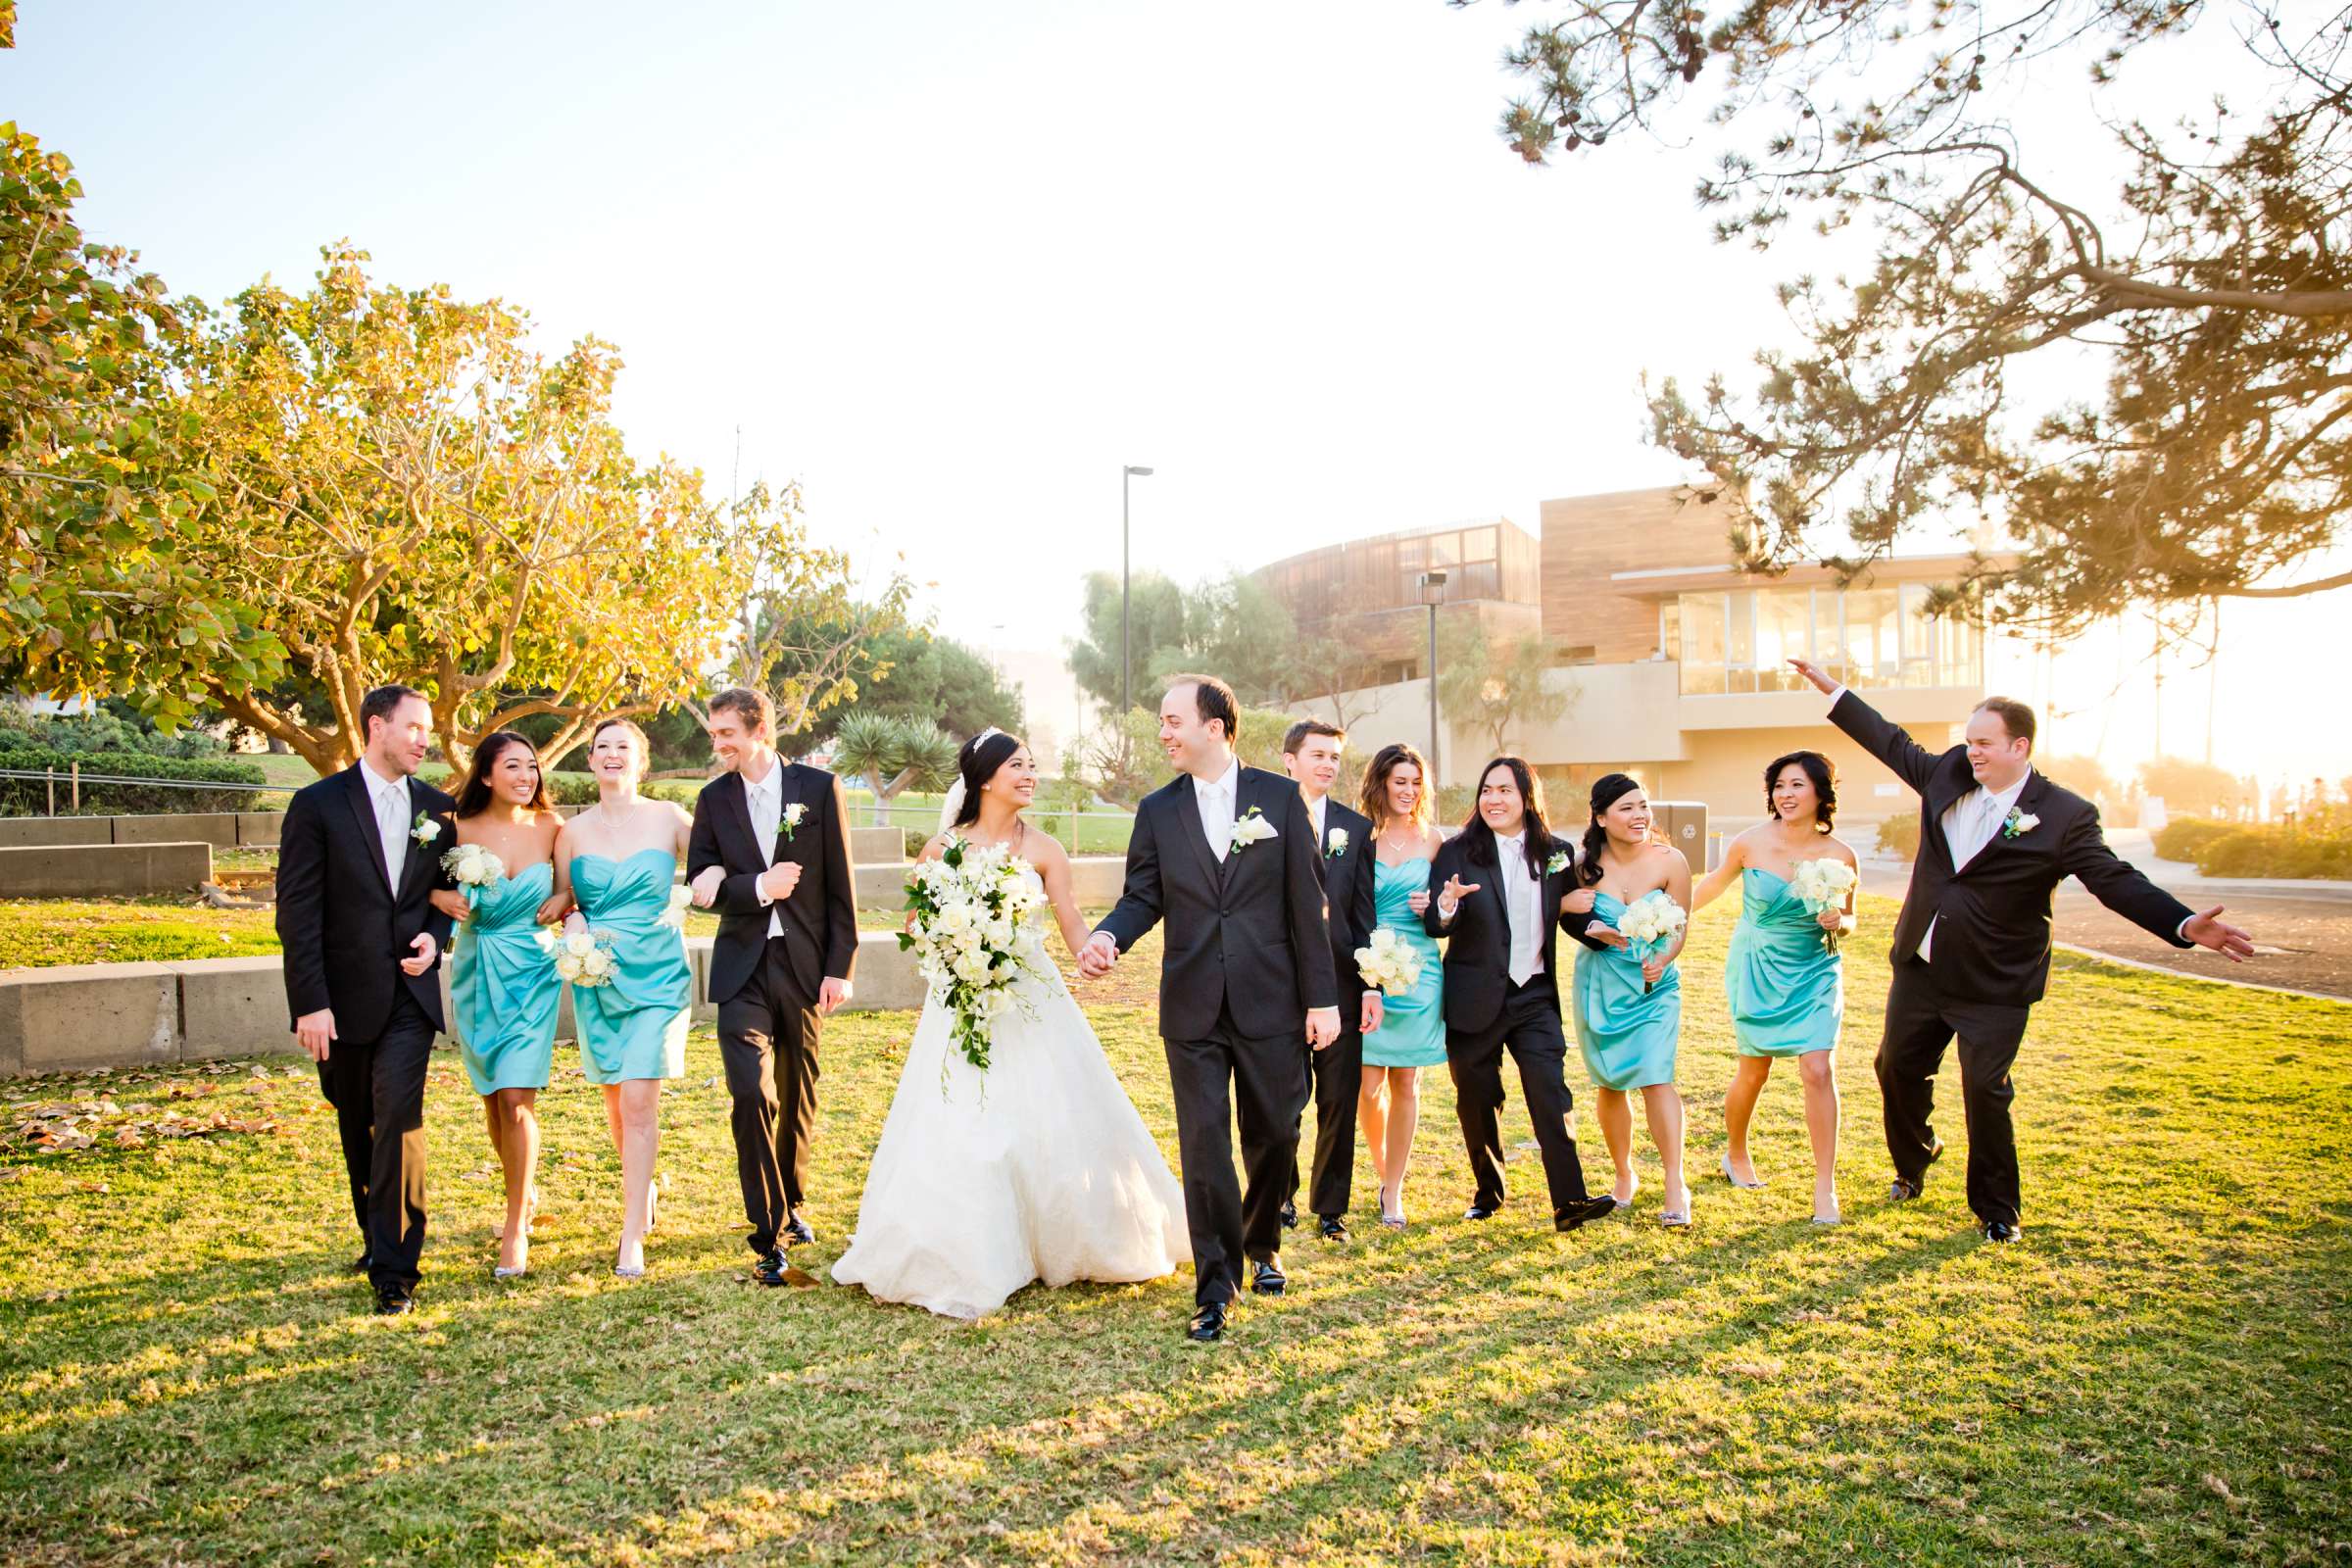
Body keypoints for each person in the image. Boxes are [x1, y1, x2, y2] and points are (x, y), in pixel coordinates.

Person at [1789, 657, 2254, 1242]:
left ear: (2020, 746)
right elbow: (1891, 741)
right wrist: (1838, 694)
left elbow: (2113, 879)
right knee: (1895, 1069)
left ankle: (1997, 1210)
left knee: (1985, 1089)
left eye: (1984, 743)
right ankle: (1916, 1159)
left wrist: (2184, 924)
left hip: (1995, 979)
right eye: (1968, 742)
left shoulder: (2064, 815)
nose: (1972, 752)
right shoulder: (1948, 775)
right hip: (1923, 964)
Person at [831, 731, 1189, 1318]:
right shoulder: (942, 848)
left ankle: (1062, 1237)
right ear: (985, 778)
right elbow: (916, 924)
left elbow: (1072, 922)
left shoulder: (1046, 849)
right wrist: (955, 941)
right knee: (963, 1117)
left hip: (1032, 998)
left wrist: (1094, 953)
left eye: (1031, 765)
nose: (1030, 775)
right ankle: (968, 1247)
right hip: (961, 1001)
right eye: (1017, 766)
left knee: (1051, 1112)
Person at [1079, 674, 1341, 1344]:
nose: (1163, 733)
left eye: (1172, 721)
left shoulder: (1281, 800)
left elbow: (1308, 907)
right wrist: (1109, 935)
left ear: (1216, 727)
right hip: (1192, 1004)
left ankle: (1262, 1243)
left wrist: (1323, 999)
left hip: (1272, 999)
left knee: (1278, 1131)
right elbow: (1143, 896)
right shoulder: (1158, 810)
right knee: (1204, 1148)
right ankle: (1216, 1285)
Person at [273, 684, 456, 1315]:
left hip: (410, 996)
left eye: (426, 728)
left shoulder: (440, 809)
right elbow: (297, 913)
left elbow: (444, 898)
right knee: (358, 1120)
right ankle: (374, 1234)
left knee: (398, 1117)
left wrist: (436, 942)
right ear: (376, 726)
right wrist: (310, 1003)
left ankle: (396, 1268)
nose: (423, 739)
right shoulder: (317, 805)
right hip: (341, 1000)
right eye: (413, 727)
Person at [686, 686, 859, 1288]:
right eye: (714, 734)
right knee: (750, 1094)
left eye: (726, 732)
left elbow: (841, 884)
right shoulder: (712, 799)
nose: (718, 743)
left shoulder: (817, 788)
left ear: (759, 729)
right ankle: (767, 1232)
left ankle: (794, 1202)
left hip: (806, 963)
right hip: (741, 968)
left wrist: (841, 966)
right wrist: (758, 885)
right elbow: (702, 889)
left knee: (797, 1087)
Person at [1422, 757, 1620, 1236]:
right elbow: (1435, 921)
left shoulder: (1556, 851)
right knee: (1477, 1099)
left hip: (1533, 994)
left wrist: (1600, 931)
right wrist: (1446, 905)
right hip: (1474, 996)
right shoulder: (1456, 852)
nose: (1494, 799)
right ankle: (1488, 1194)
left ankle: (1569, 1201)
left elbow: (1567, 915)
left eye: (1505, 790)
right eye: (1487, 790)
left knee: (1550, 1093)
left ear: (1526, 796)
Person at [546, 717, 694, 1280]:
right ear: (590, 761)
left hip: (657, 973)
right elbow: (562, 897)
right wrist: (575, 919)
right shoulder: (572, 832)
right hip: (598, 975)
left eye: (623, 747)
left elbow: (717, 861)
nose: (612, 755)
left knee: (638, 1100)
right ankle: (643, 1188)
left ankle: (631, 1233)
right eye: (602, 747)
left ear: (641, 760)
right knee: (615, 1099)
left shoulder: (669, 818)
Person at [1689, 751, 1855, 1224]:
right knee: (1754, 1071)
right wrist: (1669, 918)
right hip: (1758, 964)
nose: (1786, 794)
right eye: (1779, 785)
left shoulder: (1841, 855)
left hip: (1815, 967)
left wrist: (1841, 921)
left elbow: (1851, 917)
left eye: (1797, 785)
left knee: (1818, 1070)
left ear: (1821, 792)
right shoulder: (1749, 843)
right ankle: (1735, 1154)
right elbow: (1713, 886)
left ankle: (1825, 1188)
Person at [428, 730, 564, 1277]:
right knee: (490, 1097)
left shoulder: (554, 828)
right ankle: (522, 1193)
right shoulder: (453, 829)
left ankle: (515, 1228)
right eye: (512, 766)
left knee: (516, 1099)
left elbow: (577, 887)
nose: (526, 775)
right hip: (477, 969)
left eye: (531, 766)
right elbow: (417, 887)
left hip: (532, 971)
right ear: (485, 775)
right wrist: (438, 895)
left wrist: (563, 895)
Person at [1564, 773, 1694, 1228]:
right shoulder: (1581, 865)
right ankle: (1624, 1174)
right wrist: (1574, 916)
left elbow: (1679, 926)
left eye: (1643, 806)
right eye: (1626, 808)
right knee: (1611, 1082)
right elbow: (1557, 909)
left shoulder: (1671, 860)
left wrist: (1662, 958)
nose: (1640, 816)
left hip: (1653, 985)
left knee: (1657, 1077)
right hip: (1600, 985)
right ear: (1600, 817)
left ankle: (1675, 1183)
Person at [1280, 719, 1381, 1242]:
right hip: (1280, 984)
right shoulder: (1265, 820)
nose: (1327, 764)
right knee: (1283, 1100)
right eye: (1316, 754)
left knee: (1339, 1099)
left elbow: (1365, 914)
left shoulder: (1356, 828)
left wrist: (1370, 986)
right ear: (1289, 760)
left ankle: (1331, 1209)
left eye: (1335, 757)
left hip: (1342, 983)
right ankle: (1281, 1196)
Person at [1355, 742, 1446, 1229]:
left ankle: (1395, 1187)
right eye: (1400, 782)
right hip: (1368, 966)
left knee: (1407, 1080)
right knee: (1369, 1086)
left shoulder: (1434, 840)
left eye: (1416, 783)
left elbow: (1449, 906)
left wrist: (1433, 905)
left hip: (1421, 971)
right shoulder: (1358, 837)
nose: (1409, 791)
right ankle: (1381, 1166)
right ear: (1381, 784)